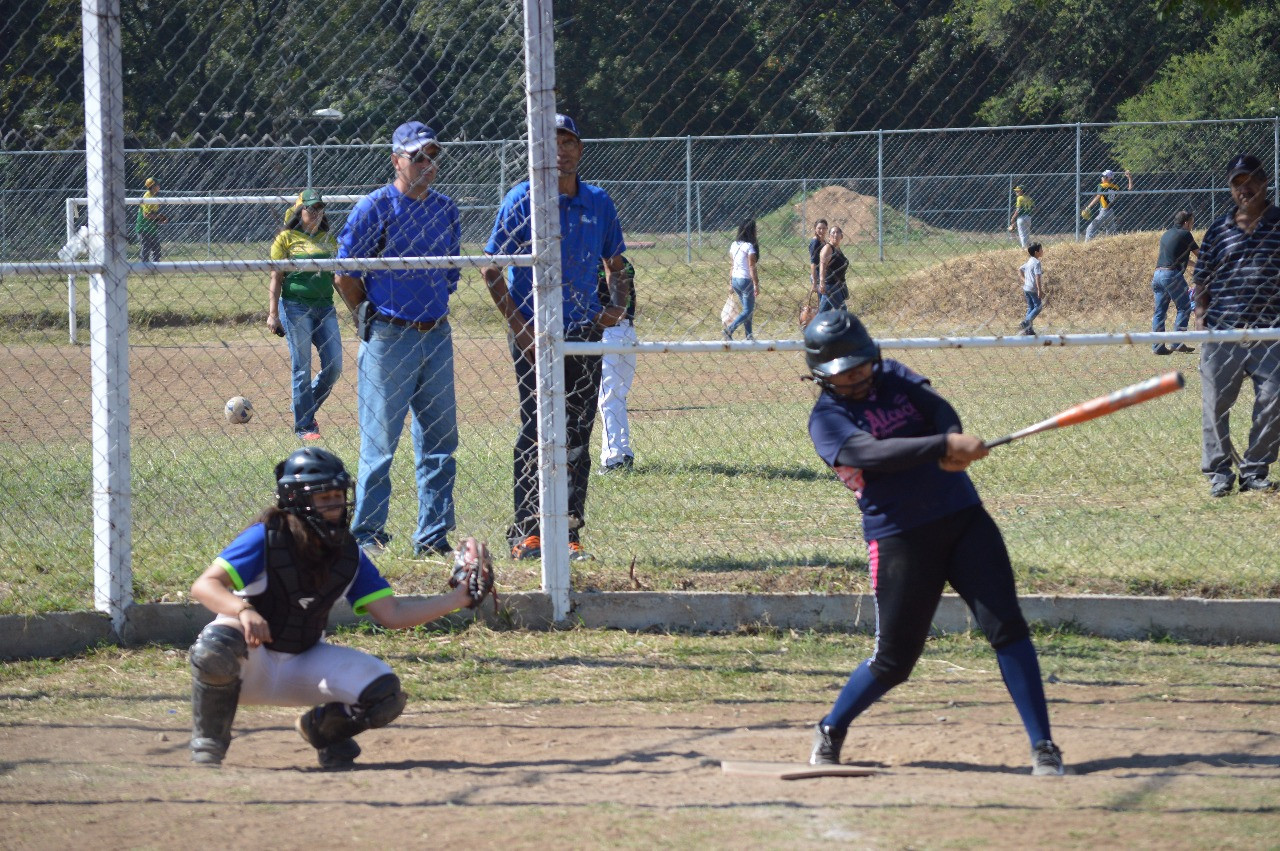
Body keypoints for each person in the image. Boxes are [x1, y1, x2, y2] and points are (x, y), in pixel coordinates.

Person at [801, 309, 1065, 776]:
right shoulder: (827, 419)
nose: (860, 377)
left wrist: (951, 436)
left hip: (963, 520)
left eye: (863, 364)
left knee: (1008, 629)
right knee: (894, 662)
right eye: (846, 373)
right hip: (900, 539)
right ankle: (831, 727)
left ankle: (1043, 745)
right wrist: (940, 448)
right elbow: (870, 454)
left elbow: (937, 409)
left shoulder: (893, 376)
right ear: (822, 377)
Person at [186, 448, 485, 769]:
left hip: (302, 664)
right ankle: (209, 742)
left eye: (339, 495)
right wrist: (242, 609)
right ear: (297, 500)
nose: (336, 505)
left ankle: (321, 730)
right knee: (214, 649)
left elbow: (393, 614)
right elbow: (204, 586)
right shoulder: (265, 537)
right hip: (248, 665)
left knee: (384, 695)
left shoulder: (348, 553)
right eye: (324, 497)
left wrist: (458, 599)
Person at [482, 113, 627, 561]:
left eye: (568, 143)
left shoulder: (598, 202)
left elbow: (616, 264)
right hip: (534, 336)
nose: (560, 151)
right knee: (536, 429)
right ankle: (527, 532)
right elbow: (490, 269)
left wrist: (617, 305)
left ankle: (568, 531)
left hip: (582, 335)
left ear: (579, 150)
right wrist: (519, 326)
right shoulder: (522, 200)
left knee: (578, 433)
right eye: (551, 143)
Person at [334, 121, 461, 557]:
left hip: (436, 333)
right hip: (390, 335)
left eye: (432, 156)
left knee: (441, 442)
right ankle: (367, 534)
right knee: (380, 444)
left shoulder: (446, 209)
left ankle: (433, 535)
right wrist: (366, 315)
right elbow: (345, 273)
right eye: (417, 157)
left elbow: (450, 274)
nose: (427, 165)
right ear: (396, 160)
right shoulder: (375, 207)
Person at [1192, 153, 1280, 497]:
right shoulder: (1218, 230)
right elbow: (1201, 280)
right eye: (1237, 184)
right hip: (1223, 331)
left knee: (1274, 400)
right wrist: (1201, 319)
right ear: (1230, 189)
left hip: (1271, 333)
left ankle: (1255, 470)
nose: (1245, 190)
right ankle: (1219, 474)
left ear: (1264, 182)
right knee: (1215, 406)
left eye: (1251, 182)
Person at [267, 189, 342, 441]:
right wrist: (272, 314)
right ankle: (304, 426)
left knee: (334, 366)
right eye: (311, 208)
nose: (317, 213)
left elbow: (337, 278)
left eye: (320, 208)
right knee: (302, 367)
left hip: (325, 307)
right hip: (296, 306)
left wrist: (353, 309)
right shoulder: (286, 238)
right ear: (300, 212)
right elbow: (276, 277)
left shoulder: (329, 240)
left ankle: (301, 406)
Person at [597, 255, 637, 473]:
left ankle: (613, 459)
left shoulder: (592, 261)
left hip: (607, 332)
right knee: (617, 396)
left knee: (608, 398)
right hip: (628, 331)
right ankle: (624, 452)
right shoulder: (621, 260)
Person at [1150, 210, 1199, 356]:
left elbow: (1179, 258)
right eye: (1192, 222)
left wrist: (1196, 265)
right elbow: (1199, 254)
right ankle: (1177, 343)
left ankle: (1157, 347)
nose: (1192, 225)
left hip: (1158, 275)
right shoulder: (1185, 234)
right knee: (1184, 307)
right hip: (1172, 275)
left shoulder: (1167, 234)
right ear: (1186, 222)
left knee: (1160, 311)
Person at [725, 220, 761, 340]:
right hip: (745, 280)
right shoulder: (749, 247)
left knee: (747, 309)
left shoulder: (734, 245)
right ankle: (729, 330)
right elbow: (752, 266)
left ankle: (749, 335)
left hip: (735, 280)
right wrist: (756, 284)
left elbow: (732, 265)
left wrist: (730, 283)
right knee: (748, 310)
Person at [1083, 168, 1133, 241]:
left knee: (1091, 228)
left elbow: (1098, 196)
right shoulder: (1116, 187)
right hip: (1111, 212)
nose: (1101, 178)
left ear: (1108, 178)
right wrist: (1130, 178)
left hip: (1104, 211)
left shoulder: (1102, 185)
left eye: (1103, 176)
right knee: (1111, 232)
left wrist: (1088, 207)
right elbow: (1130, 189)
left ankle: (1087, 246)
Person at [817, 225, 848, 312]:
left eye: (837, 232)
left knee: (823, 312)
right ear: (829, 236)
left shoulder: (837, 248)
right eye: (833, 233)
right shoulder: (828, 248)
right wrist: (822, 282)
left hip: (837, 284)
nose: (835, 235)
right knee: (842, 310)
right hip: (830, 285)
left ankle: (813, 325)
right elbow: (822, 266)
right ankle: (845, 325)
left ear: (841, 236)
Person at [136, 177, 167, 262]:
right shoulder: (148, 197)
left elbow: (153, 213)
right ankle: (143, 268)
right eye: (157, 185)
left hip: (151, 227)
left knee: (156, 249)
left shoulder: (154, 196)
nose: (159, 186)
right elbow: (146, 215)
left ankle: (154, 268)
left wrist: (160, 219)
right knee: (146, 249)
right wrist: (159, 218)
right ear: (153, 186)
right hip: (144, 227)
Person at [1018, 242, 1045, 335]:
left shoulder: (1030, 261)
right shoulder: (1037, 262)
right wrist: (1039, 290)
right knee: (1038, 306)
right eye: (1041, 249)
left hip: (1026, 288)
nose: (1042, 251)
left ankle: (1028, 330)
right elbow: (1038, 277)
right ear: (1037, 252)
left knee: (1031, 307)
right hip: (1033, 288)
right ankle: (1026, 322)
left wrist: (1025, 280)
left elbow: (1020, 269)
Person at [808, 219, 829, 293]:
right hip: (818, 276)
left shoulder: (823, 241)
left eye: (824, 228)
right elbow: (813, 262)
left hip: (824, 274)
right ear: (815, 229)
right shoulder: (815, 242)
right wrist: (814, 282)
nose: (822, 231)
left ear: (827, 229)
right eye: (819, 228)